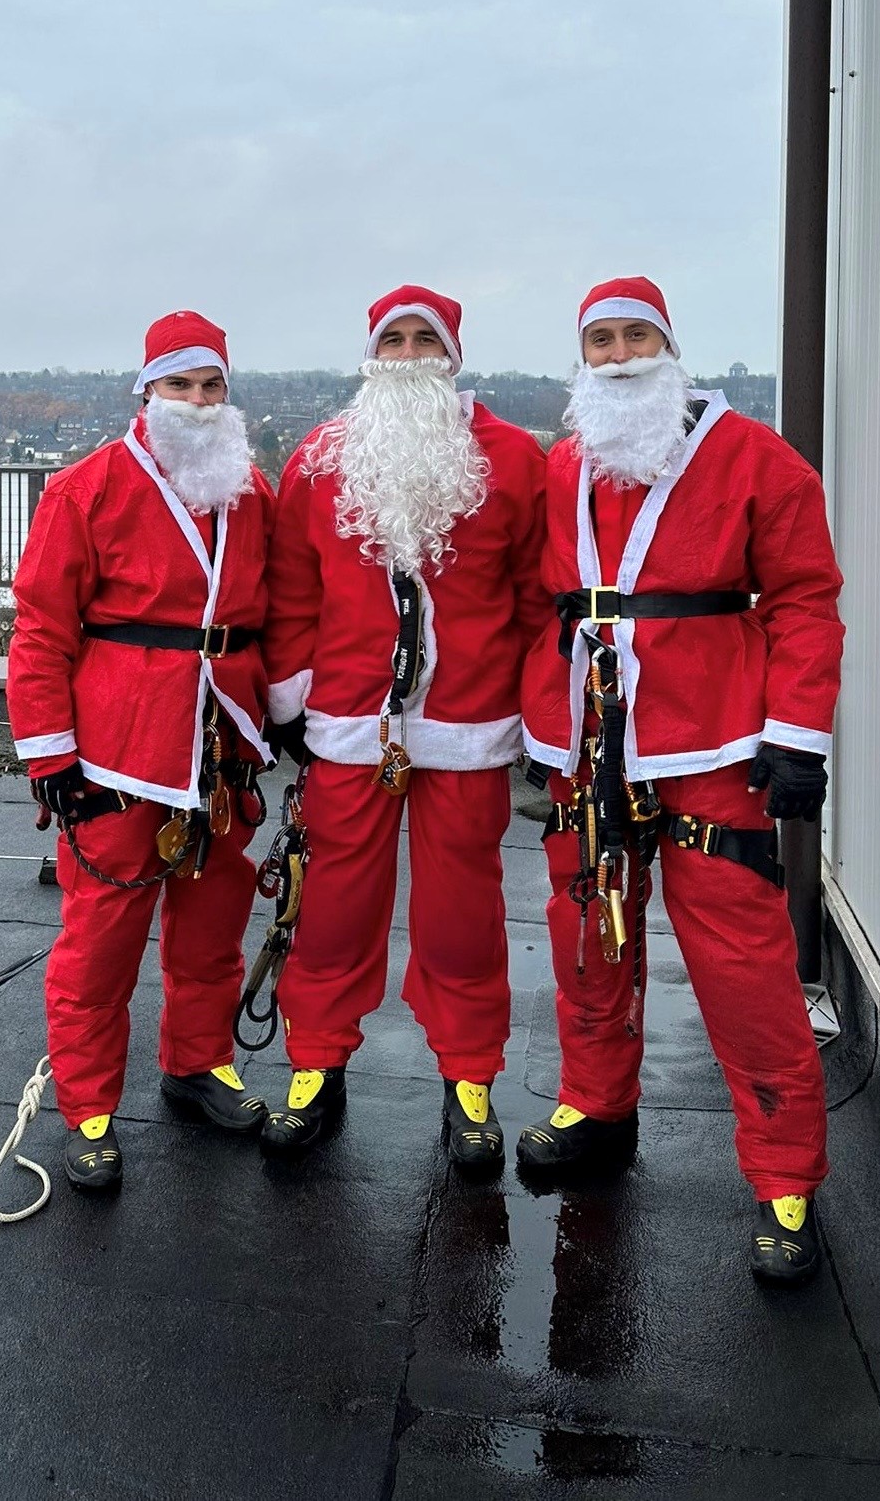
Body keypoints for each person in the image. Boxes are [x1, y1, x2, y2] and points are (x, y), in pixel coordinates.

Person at [519, 277, 844, 1282]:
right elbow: (544, 601)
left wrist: (798, 736)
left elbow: (804, 597)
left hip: (713, 741)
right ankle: (597, 1102)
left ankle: (785, 1172)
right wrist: (543, 722)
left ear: (669, 345)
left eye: (635, 337)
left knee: (744, 961)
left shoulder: (755, 460)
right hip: (595, 739)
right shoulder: (564, 461)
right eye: (601, 339)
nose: (617, 355)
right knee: (586, 930)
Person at [260, 284, 550, 1168]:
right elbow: (291, 593)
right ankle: (314, 1059)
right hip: (348, 720)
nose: (410, 353)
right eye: (394, 339)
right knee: (333, 904)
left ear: (453, 354)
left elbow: (537, 600)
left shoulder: (513, 459)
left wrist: (541, 720)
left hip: (467, 723)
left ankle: (469, 1073)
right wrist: (288, 702)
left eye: (427, 338)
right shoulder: (317, 459)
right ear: (371, 354)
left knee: (463, 909)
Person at [7, 309, 275, 1190]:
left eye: (211, 387)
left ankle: (197, 1065)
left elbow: (276, 614)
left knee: (212, 928)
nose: (197, 402)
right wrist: (51, 759)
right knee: (100, 941)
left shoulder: (250, 492)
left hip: (221, 746)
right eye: (179, 385)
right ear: (147, 389)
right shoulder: (84, 489)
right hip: (117, 754)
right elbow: (42, 632)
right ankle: (87, 1105)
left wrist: (283, 717)